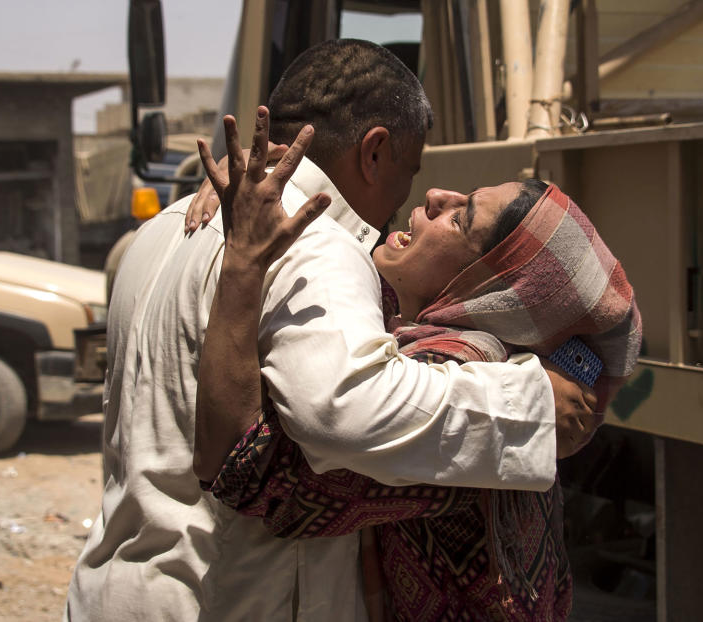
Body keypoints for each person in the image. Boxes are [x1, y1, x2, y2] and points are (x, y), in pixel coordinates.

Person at [65, 39, 596, 621]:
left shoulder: (163, 230)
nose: (418, 198)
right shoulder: (314, 243)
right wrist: (536, 403)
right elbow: (341, 408)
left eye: (460, 214)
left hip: (114, 594)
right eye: (410, 170)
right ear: (375, 152)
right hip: (221, 603)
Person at [191, 121, 642, 620]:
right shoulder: (455, 350)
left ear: (491, 292)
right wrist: (281, 182)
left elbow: (251, 475)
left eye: (462, 220)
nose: (434, 196)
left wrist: (243, 258)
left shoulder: (456, 368)